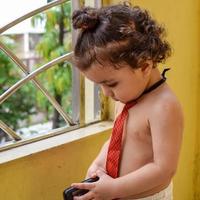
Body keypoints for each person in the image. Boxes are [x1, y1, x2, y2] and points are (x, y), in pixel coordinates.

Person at [70, 2, 184, 200]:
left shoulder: (163, 107)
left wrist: (114, 188)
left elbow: (163, 169)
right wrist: (99, 162)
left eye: (111, 84)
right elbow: (119, 139)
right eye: (100, 86)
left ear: (144, 66)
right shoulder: (127, 96)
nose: (106, 93)